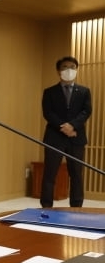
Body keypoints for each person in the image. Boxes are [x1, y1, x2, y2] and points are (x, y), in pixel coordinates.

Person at [40, 56, 92, 208]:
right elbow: (48, 113)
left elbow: (86, 111)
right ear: (58, 71)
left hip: (76, 138)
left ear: (76, 70)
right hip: (54, 137)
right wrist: (64, 127)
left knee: (76, 175)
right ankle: (46, 206)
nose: (69, 70)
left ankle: (76, 207)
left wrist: (72, 126)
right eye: (65, 67)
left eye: (72, 67)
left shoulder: (84, 91)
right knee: (50, 174)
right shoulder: (49, 91)